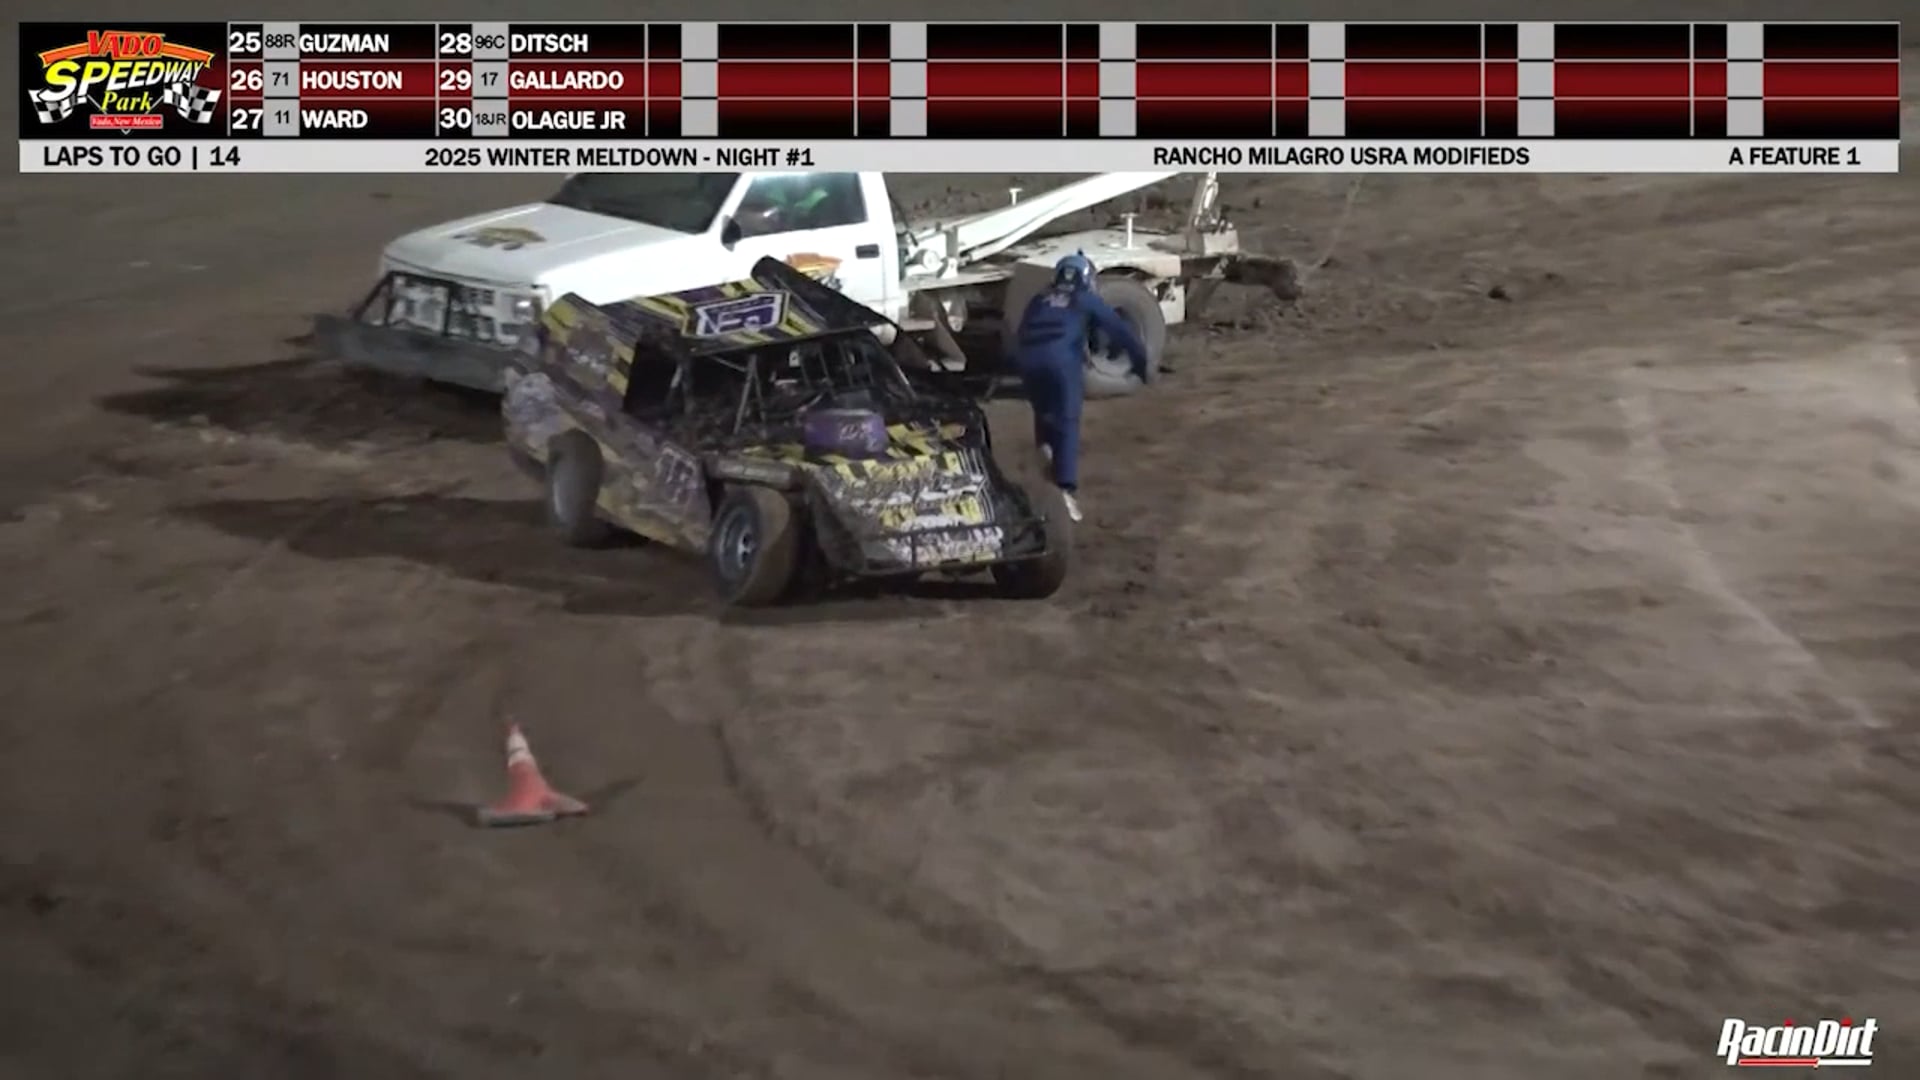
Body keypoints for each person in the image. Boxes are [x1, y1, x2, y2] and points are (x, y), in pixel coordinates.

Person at [1010, 252, 1151, 523]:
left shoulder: (1039, 299)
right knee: (1067, 420)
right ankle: (1065, 490)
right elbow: (1120, 332)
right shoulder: (1085, 299)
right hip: (1060, 362)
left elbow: (1022, 332)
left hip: (1028, 361)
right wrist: (1142, 366)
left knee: (1044, 413)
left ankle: (1044, 454)